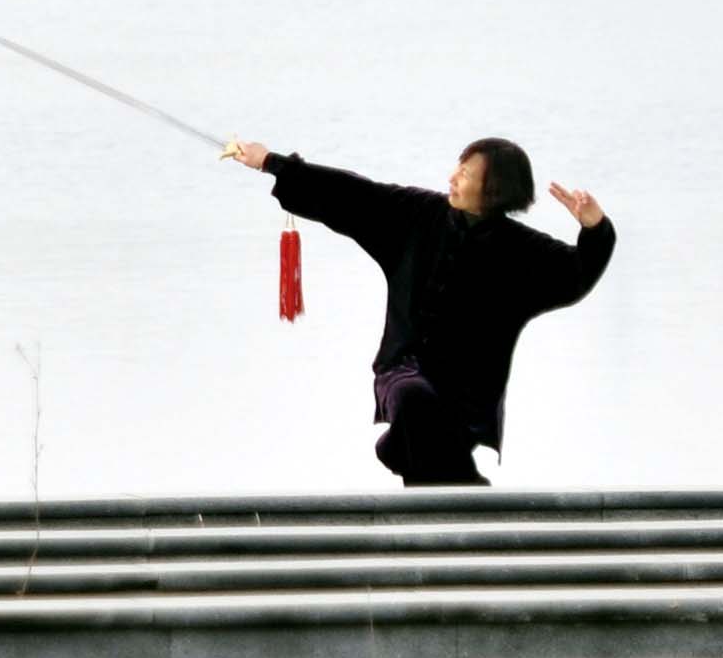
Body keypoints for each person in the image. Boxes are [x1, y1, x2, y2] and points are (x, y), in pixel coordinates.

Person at [223, 133, 613, 487]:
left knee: (427, 449)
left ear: (493, 189)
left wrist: (595, 227)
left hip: (470, 393)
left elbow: (577, 273)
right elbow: (354, 195)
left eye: (465, 173)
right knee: (416, 403)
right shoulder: (417, 215)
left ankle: (402, 456)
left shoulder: (522, 252)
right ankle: (466, 500)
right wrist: (273, 162)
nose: (452, 179)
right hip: (404, 370)